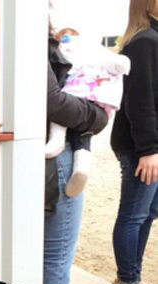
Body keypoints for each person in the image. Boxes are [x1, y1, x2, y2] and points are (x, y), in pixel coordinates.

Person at [44, 15, 108, 284]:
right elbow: (52, 100)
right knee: (56, 260)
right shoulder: (35, 40)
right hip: (59, 162)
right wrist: (96, 117)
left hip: (46, 159)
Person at [110, 0, 158, 284]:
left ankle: (131, 275)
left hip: (149, 147)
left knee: (148, 213)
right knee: (134, 214)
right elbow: (140, 102)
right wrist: (149, 149)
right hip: (142, 148)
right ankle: (128, 281)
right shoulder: (145, 41)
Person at [45, 26, 131, 197]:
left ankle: (79, 166)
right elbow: (54, 102)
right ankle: (78, 163)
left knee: (78, 130)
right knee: (80, 132)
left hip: (78, 99)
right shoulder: (55, 51)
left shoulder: (76, 53)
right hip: (79, 102)